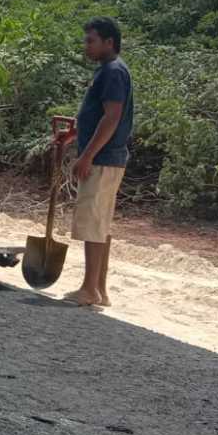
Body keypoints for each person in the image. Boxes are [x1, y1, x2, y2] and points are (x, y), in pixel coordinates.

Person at [64, 17, 134, 308]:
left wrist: (87, 156)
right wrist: (75, 133)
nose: (86, 46)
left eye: (91, 40)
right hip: (108, 156)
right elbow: (97, 115)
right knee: (100, 222)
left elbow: (111, 117)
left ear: (109, 42)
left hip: (103, 158)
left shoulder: (113, 72)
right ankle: (99, 289)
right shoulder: (107, 71)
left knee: (93, 222)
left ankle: (89, 289)